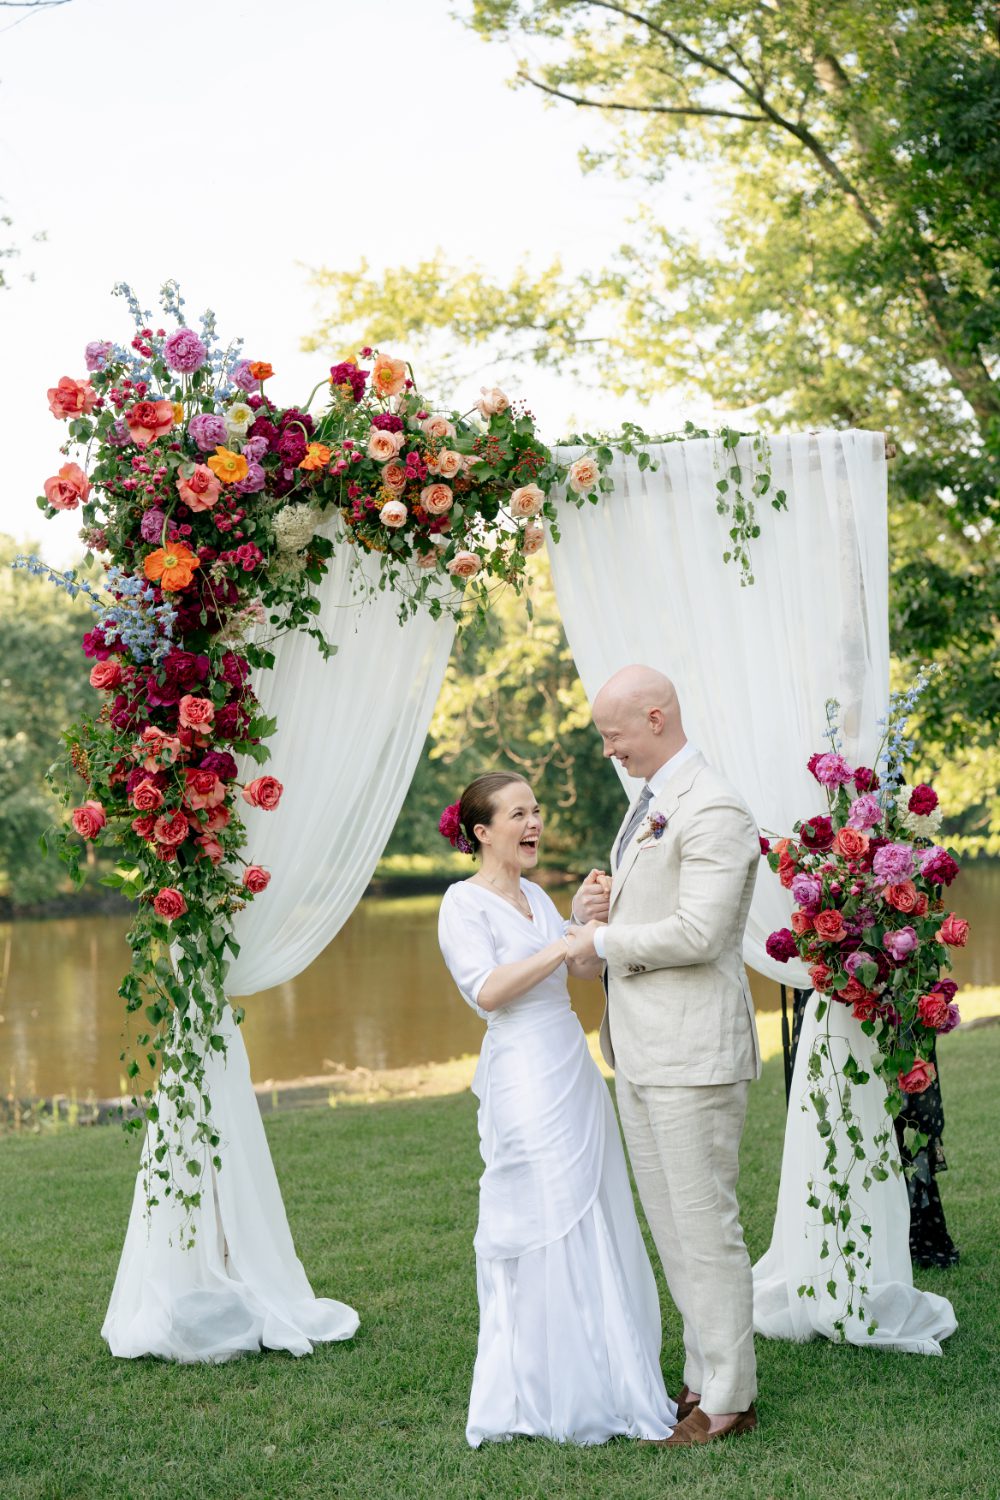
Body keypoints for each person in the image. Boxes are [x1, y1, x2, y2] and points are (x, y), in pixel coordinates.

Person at [437, 772, 675, 1448]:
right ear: (482, 832)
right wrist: (561, 944)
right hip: (521, 1074)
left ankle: (607, 1369)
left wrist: (586, 923)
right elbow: (488, 990)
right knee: (543, 1214)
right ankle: (545, 1386)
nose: (534, 821)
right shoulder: (463, 904)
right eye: (518, 813)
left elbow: (576, 972)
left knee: (592, 1206)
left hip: (570, 1067)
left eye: (536, 810)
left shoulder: (537, 895)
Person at [571, 665, 762, 1446]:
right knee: (671, 1225)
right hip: (643, 1050)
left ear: (656, 717)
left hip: (693, 1053)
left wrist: (605, 940)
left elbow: (701, 933)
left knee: (705, 1224)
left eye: (614, 733)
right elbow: (648, 907)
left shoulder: (713, 807)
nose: (608, 748)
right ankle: (701, 1373)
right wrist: (598, 909)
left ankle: (731, 1398)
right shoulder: (647, 806)